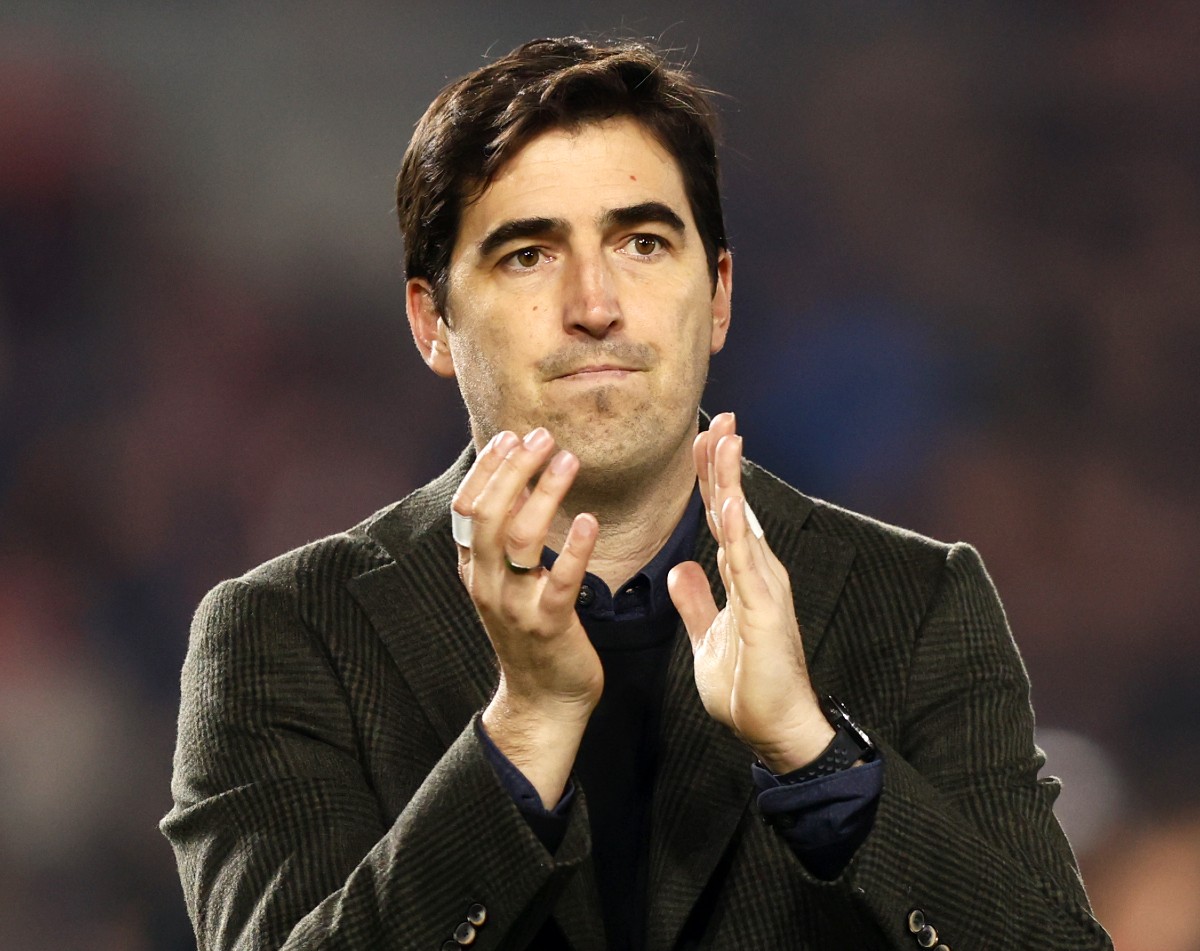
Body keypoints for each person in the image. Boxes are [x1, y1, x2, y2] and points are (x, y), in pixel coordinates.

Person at [162, 36, 1112, 950]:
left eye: (644, 243)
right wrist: (524, 726)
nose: (595, 303)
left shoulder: (917, 604)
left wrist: (819, 759)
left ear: (721, 296)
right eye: (527, 254)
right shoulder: (283, 635)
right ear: (433, 322)